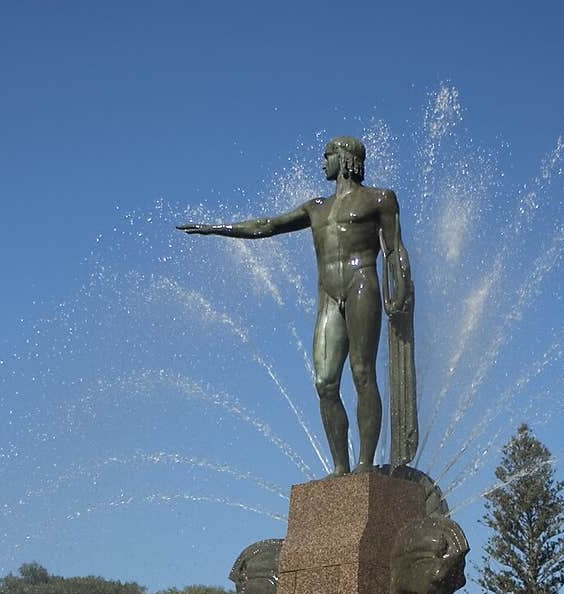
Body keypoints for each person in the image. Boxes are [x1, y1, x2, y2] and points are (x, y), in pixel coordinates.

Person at [178, 136, 416, 475]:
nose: (322, 163)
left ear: (344, 157)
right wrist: (216, 229)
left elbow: (394, 249)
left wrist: (402, 288)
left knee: (362, 374)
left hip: (362, 282)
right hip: (328, 294)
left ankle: (365, 466)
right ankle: (339, 468)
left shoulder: (379, 199)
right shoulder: (315, 208)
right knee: (325, 382)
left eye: (327, 156)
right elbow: (267, 226)